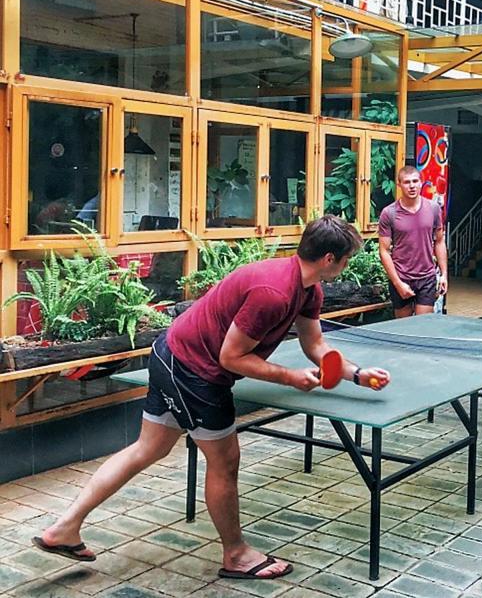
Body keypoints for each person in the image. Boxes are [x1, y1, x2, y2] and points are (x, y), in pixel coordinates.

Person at [34, 216, 392, 578]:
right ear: (329, 258)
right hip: (193, 372)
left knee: (149, 448)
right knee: (225, 462)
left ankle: (65, 528)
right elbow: (231, 357)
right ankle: (236, 555)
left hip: (171, 355)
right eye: (346, 259)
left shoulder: (307, 289)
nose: (346, 265)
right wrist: (290, 377)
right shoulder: (274, 293)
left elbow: (315, 344)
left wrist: (358, 375)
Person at [378, 166, 447, 319]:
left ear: (421, 183)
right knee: (403, 328)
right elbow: (384, 251)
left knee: (423, 326)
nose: (412, 186)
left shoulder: (433, 209)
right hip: (402, 276)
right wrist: (397, 283)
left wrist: (444, 274)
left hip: (426, 277)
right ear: (399, 185)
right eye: (407, 182)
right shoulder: (389, 213)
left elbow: (440, 241)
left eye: (415, 181)